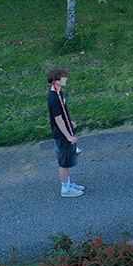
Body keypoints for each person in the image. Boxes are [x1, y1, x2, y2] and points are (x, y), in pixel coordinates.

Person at [47, 67, 84, 197]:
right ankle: (65, 189)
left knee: (68, 160)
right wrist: (68, 136)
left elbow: (63, 114)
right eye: (63, 77)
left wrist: (70, 122)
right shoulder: (54, 99)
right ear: (56, 81)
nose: (66, 79)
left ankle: (68, 183)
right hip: (61, 134)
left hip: (65, 130)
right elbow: (58, 120)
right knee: (64, 163)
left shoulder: (59, 92)